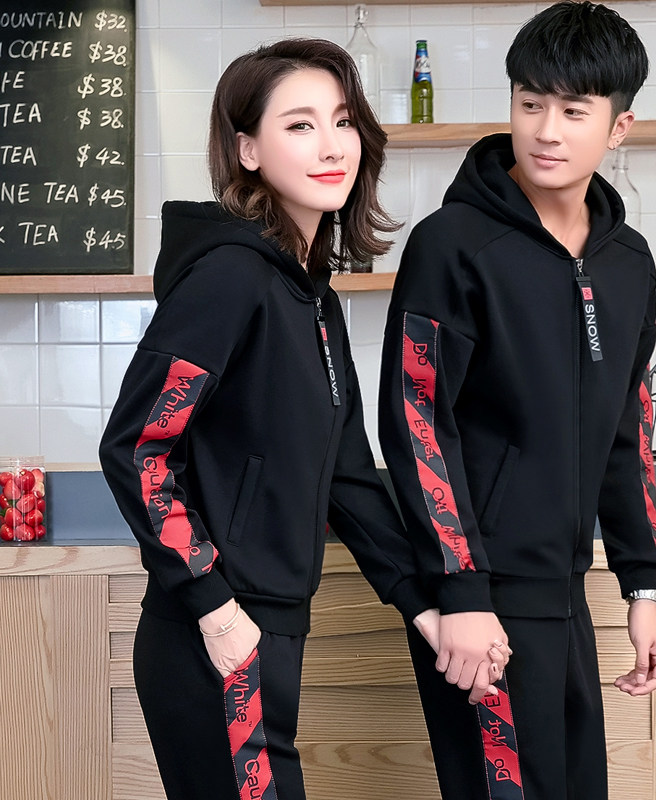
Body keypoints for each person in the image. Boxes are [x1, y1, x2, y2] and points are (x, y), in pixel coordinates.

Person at [99, 39, 506, 800]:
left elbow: (347, 479)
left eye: (343, 122)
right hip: (215, 633)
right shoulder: (229, 277)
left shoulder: (313, 298)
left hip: (270, 626)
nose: (331, 146)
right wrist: (215, 610)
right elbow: (136, 449)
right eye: (299, 125)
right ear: (247, 150)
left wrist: (427, 609)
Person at [378, 3, 656, 799]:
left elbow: (625, 431)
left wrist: (643, 587)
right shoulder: (452, 245)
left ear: (618, 127)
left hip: (564, 594)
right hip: (484, 597)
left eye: (574, 111)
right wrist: (463, 592)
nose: (545, 130)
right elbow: (415, 421)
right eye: (530, 103)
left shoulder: (627, 262)